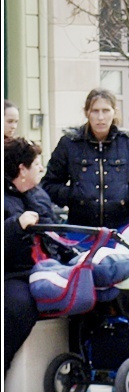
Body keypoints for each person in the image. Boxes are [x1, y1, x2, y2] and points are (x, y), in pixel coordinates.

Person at [42, 88, 129, 229]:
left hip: (119, 228)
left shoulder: (127, 143)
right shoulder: (70, 143)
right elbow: (49, 183)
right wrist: (73, 196)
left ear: (114, 112)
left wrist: (128, 196)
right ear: (87, 113)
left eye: (106, 111)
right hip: (80, 229)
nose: (101, 117)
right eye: (95, 111)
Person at [5, 137, 60, 378]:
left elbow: (56, 233)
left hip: (43, 268)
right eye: (36, 164)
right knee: (19, 307)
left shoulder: (38, 195)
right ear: (22, 169)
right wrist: (16, 225)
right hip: (12, 274)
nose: (41, 168)